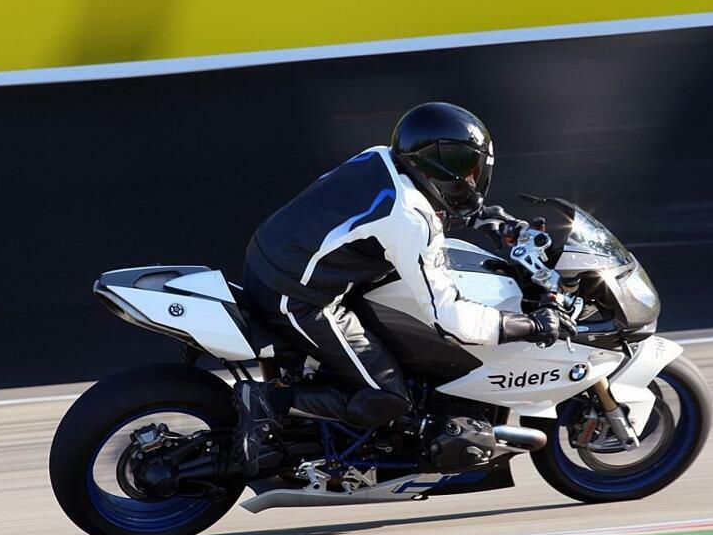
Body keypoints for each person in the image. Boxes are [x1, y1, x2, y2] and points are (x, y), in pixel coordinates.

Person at [235, 102, 575, 475]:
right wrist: (532, 326)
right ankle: (271, 402)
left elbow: (382, 221)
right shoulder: (411, 218)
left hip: (280, 258)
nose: (471, 178)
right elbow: (451, 320)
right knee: (387, 397)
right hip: (296, 296)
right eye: (466, 169)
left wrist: (481, 218)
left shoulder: (380, 159)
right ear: (442, 168)